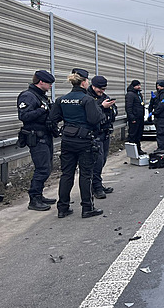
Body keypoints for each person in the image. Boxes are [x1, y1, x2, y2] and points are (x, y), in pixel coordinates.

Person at [49, 68, 114, 219]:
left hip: (67, 141)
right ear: (84, 83)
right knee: (86, 175)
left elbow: (53, 118)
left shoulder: (61, 99)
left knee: (66, 175)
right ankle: (87, 208)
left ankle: (62, 208)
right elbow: (95, 119)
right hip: (84, 141)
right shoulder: (88, 100)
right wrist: (101, 109)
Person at [16, 70, 57, 211]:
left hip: (45, 136)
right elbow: (24, 116)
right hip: (36, 137)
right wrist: (43, 110)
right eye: (49, 83)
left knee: (47, 167)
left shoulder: (41, 96)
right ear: (41, 82)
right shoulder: (28, 96)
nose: (51, 86)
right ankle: (34, 199)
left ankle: (39, 195)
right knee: (42, 169)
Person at [86, 75, 117, 199]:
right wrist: (102, 107)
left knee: (102, 160)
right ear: (93, 86)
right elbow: (90, 115)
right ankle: (96, 187)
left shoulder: (105, 97)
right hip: (94, 135)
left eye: (104, 89)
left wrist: (111, 109)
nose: (102, 92)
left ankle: (97, 184)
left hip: (105, 133)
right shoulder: (87, 98)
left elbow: (113, 112)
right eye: (100, 89)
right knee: (97, 162)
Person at [125, 79, 146, 155]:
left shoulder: (138, 94)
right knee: (133, 135)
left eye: (139, 85)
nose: (139, 87)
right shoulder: (130, 95)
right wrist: (132, 118)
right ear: (133, 86)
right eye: (137, 85)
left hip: (140, 118)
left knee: (139, 135)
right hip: (134, 119)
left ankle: (138, 149)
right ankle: (132, 152)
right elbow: (128, 107)